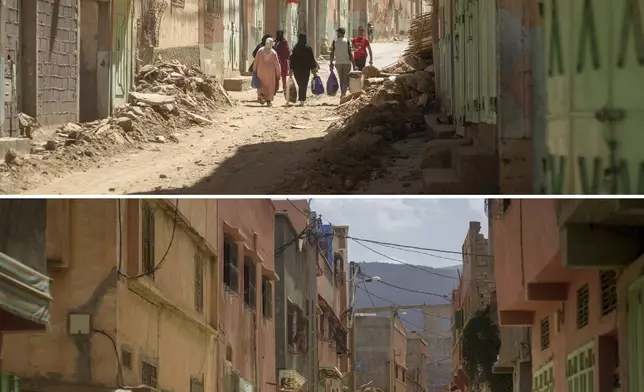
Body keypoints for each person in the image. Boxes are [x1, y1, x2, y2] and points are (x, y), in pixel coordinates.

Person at [289, 33, 319, 106]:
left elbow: (292, 59)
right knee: (304, 84)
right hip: (306, 69)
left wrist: (291, 69)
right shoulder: (308, 48)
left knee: (300, 84)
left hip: (297, 69)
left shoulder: (296, 47)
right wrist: (313, 69)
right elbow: (311, 59)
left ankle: (301, 99)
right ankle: (302, 99)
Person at [253, 37, 281, 106]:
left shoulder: (260, 51)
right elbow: (277, 64)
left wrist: (254, 69)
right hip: (270, 73)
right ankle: (268, 101)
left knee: (261, 85)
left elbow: (256, 61)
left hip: (260, 71)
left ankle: (261, 96)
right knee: (270, 86)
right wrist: (278, 73)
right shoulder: (274, 53)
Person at [329, 27, 354, 98]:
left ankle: (343, 93)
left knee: (341, 78)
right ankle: (343, 93)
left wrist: (331, 63)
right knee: (345, 78)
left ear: (340, 33)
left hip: (338, 62)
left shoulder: (334, 41)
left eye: (337, 32)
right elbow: (350, 53)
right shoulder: (347, 41)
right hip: (347, 62)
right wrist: (354, 64)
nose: (337, 33)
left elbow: (332, 53)